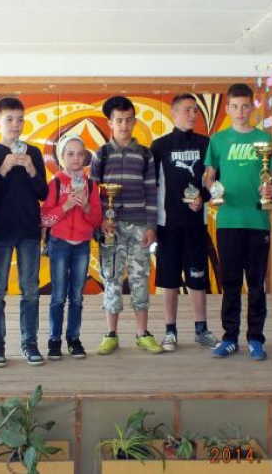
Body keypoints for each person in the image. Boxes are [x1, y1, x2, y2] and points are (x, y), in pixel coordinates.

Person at [203, 83, 272, 361]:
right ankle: (229, 337)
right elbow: (209, 176)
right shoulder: (218, 140)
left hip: (258, 220)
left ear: (252, 106)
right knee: (231, 282)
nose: (241, 111)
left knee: (256, 284)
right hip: (228, 221)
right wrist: (212, 188)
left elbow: (271, 178)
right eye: (235, 106)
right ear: (228, 108)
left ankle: (256, 339)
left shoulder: (264, 138)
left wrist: (270, 189)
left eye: (245, 106)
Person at [91, 96, 162, 355]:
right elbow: (92, 194)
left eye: (129, 120)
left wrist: (151, 226)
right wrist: (100, 222)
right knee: (111, 279)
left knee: (140, 279)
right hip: (110, 229)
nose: (124, 125)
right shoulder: (101, 154)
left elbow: (152, 192)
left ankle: (142, 334)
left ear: (134, 122)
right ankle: (111, 334)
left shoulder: (145, 154)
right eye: (119, 121)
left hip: (140, 226)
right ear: (110, 123)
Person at [0, 98, 48, 367]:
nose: (15, 124)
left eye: (20, 119)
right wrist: (4, 168)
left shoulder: (34, 153)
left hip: (29, 230)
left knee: (30, 290)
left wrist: (32, 170)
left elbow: (43, 193)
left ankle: (29, 343)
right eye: (9, 119)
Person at [150, 93, 217, 352]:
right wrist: (151, 224)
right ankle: (170, 331)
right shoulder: (159, 146)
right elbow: (151, 185)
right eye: (187, 109)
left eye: (195, 110)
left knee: (198, 278)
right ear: (174, 113)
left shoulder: (206, 144)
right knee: (169, 280)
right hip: (167, 225)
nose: (192, 114)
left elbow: (215, 182)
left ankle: (201, 330)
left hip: (196, 225)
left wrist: (204, 197)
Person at [40, 135, 102, 360]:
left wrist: (86, 206)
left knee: (76, 296)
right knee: (58, 295)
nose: (76, 158)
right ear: (62, 157)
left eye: (80, 154)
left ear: (85, 157)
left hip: (82, 246)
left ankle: (74, 338)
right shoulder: (55, 183)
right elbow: (45, 219)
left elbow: (97, 220)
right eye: (70, 153)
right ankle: (54, 339)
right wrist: (65, 206)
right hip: (60, 245)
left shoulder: (91, 185)